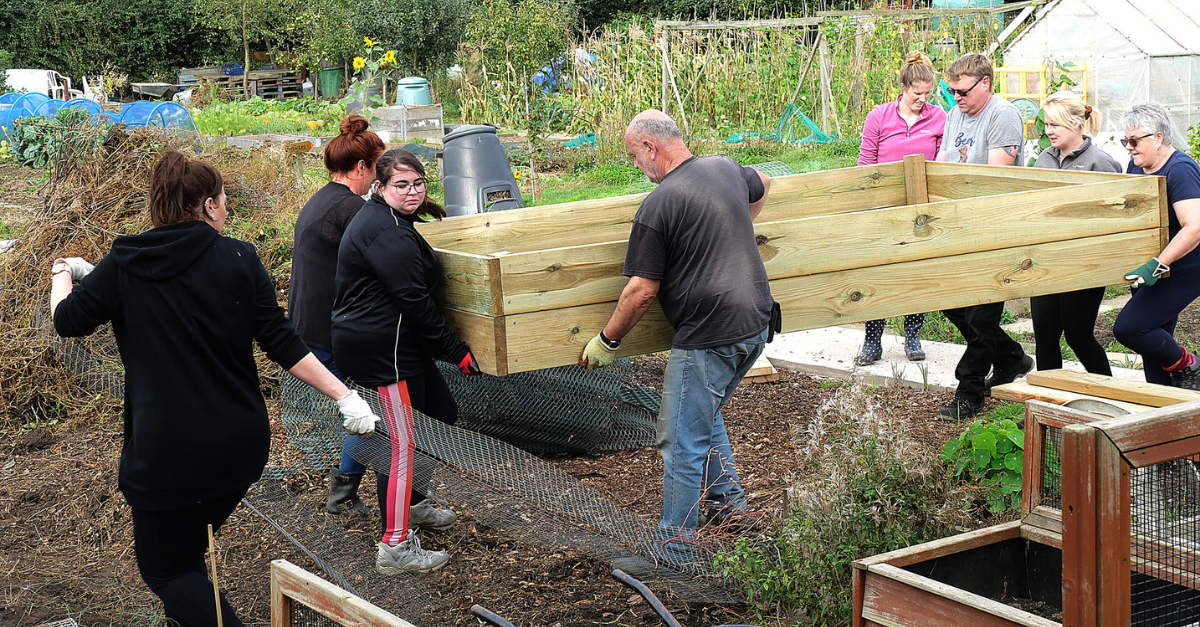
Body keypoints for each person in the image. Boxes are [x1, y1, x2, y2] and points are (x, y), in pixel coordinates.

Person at [50, 151, 379, 627]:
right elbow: (281, 341)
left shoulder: (125, 261)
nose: (226, 208)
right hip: (238, 444)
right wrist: (345, 396)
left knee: (166, 570)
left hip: (167, 452)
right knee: (185, 554)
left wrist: (65, 272)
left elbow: (67, 320)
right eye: (223, 200)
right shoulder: (239, 257)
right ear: (207, 205)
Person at [578, 110, 774, 569]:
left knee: (681, 440)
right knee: (704, 418)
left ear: (651, 147)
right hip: (756, 323)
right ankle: (733, 513)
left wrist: (606, 342)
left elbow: (641, 291)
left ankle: (675, 551)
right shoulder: (723, 168)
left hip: (710, 334)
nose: (635, 167)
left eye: (633, 156)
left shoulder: (658, 206)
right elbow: (764, 181)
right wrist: (737, 222)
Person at [332, 148, 481, 575]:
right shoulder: (386, 233)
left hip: (399, 345)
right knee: (401, 445)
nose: (412, 192)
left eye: (418, 183)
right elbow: (414, 302)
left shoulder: (392, 220)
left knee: (440, 412)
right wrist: (456, 351)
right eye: (402, 185)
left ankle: (412, 504)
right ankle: (394, 548)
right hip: (382, 352)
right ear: (380, 187)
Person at [287, 115, 385, 516]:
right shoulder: (347, 208)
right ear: (361, 168)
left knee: (366, 406)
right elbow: (383, 257)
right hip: (326, 329)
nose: (378, 178)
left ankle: (343, 492)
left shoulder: (323, 197)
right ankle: (345, 495)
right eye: (378, 168)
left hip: (307, 324)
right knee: (374, 409)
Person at [934, 53, 1034, 420]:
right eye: (951, 91)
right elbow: (943, 163)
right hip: (959, 223)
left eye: (961, 91)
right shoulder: (955, 115)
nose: (955, 98)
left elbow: (995, 179)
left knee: (981, 314)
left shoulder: (1002, 115)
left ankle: (970, 391)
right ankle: (1012, 359)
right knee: (949, 301)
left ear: (985, 83)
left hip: (995, 227)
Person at [854, 51, 947, 366]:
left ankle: (912, 335)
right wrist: (866, 205)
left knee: (913, 271)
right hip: (884, 206)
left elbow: (941, 163)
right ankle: (872, 340)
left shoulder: (939, 117)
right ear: (903, 88)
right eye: (915, 93)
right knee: (879, 271)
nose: (921, 99)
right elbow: (866, 163)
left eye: (926, 93)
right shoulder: (879, 116)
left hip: (920, 207)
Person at [1030, 92, 1121, 376]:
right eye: (1046, 125)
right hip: (1045, 262)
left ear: (1077, 122)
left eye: (1055, 125)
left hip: (1083, 264)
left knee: (1077, 336)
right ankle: (1045, 405)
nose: (1048, 131)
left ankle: (1108, 394)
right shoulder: (1044, 159)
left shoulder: (1101, 163)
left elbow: (1115, 216)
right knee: (1044, 338)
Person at [1113, 103, 1200, 389]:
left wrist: (1157, 264)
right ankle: (1166, 413)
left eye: (1135, 140)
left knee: (1129, 327)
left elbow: (1195, 227)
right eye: (1126, 140)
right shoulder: (1135, 167)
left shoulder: (1181, 170)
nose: (1129, 147)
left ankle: (1190, 365)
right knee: (1154, 346)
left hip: (1184, 268)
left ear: (1159, 138)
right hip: (1151, 269)